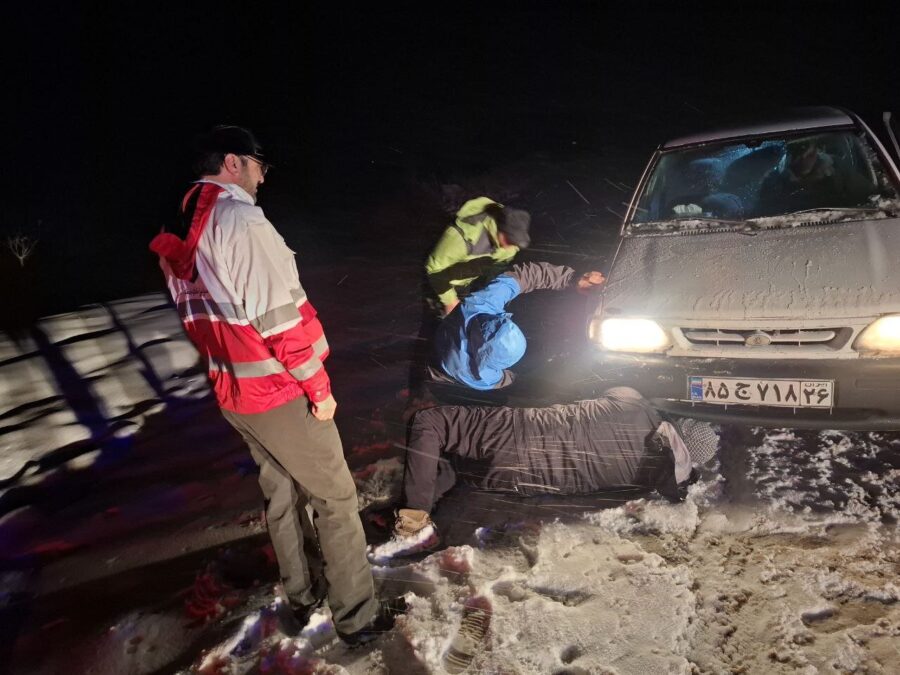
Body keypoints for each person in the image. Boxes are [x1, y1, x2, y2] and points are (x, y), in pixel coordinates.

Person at [149, 125, 392, 645]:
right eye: (260, 165)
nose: (263, 177)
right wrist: (318, 389)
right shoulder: (239, 220)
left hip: (236, 394)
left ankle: (303, 595)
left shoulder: (184, 230)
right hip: (278, 391)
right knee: (335, 498)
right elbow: (278, 319)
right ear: (233, 162)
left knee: (281, 495)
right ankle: (358, 617)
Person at [379, 387, 719, 557]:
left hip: (517, 429)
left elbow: (608, 391)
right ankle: (432, 496)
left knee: (430, 421)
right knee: (465, 470)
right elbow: (674, 487)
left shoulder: (632, 401)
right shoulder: (652, 481)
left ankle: (414, 517)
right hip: (519, 480)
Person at [430, 261, 605, 391]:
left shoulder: (478, 307)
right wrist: (518, 378)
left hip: (438, 336)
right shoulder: (476, 376)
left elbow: (524, 276)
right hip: (435, 365)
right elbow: (503, 380)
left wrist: (571, 279)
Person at [425, 197, 531, 316]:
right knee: (437, 318)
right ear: (500, 228)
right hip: (442, 283)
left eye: (514, 243)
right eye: (508, 240)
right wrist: (450, 301)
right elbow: (434, 269)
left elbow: (498, 267)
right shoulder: (462, 237)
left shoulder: (511, 244)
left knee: (461, 319)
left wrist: (491, 291)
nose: (509, 247)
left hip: (466, 283)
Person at [756, 136, 869, 216]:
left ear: (815, 150)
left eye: (808, 152)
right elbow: (761, 217)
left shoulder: (837, 168)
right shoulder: (772, 181)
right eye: (797, 150)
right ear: (789, 152)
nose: (802, 157)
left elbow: (869, 198)